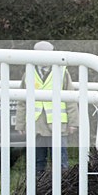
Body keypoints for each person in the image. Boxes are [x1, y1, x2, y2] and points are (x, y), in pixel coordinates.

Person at [15, 41, 79, 173]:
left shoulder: (62, 72)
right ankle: (39, 189)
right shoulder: (28, 72)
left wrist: (73, 122)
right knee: (38, 162)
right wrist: (20, 124)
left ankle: (62, 189)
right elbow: (22, 100)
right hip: (36, 125)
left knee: (61, 162)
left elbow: (71, 99)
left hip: (58, 124)